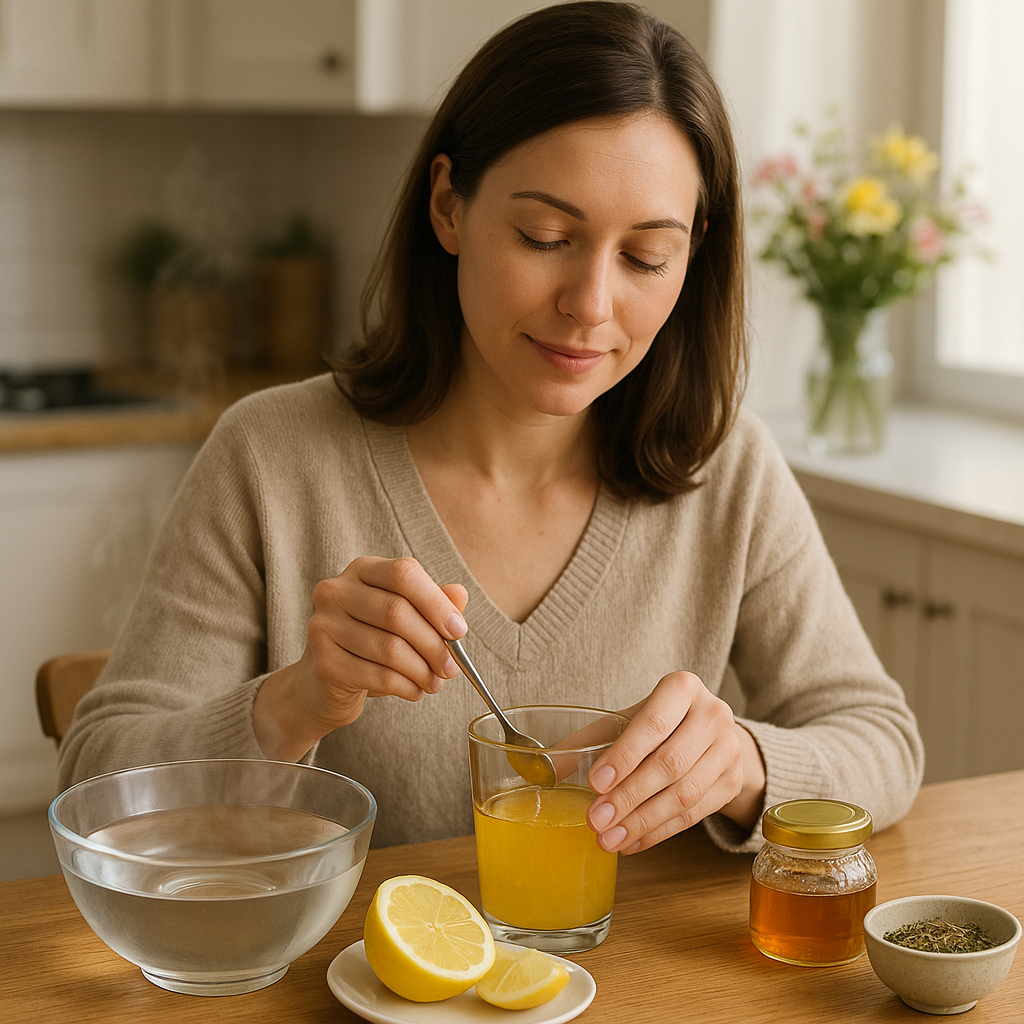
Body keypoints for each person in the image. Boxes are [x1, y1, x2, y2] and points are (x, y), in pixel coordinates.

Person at [58, 1, 923, 853]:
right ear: (448, 207)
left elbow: (882, 741)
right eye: (545, 236)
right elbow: (96, 786)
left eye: (645, 257)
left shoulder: (723, 467)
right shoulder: (270, 457)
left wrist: (742, 767)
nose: (589, 306)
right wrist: (295, 701)